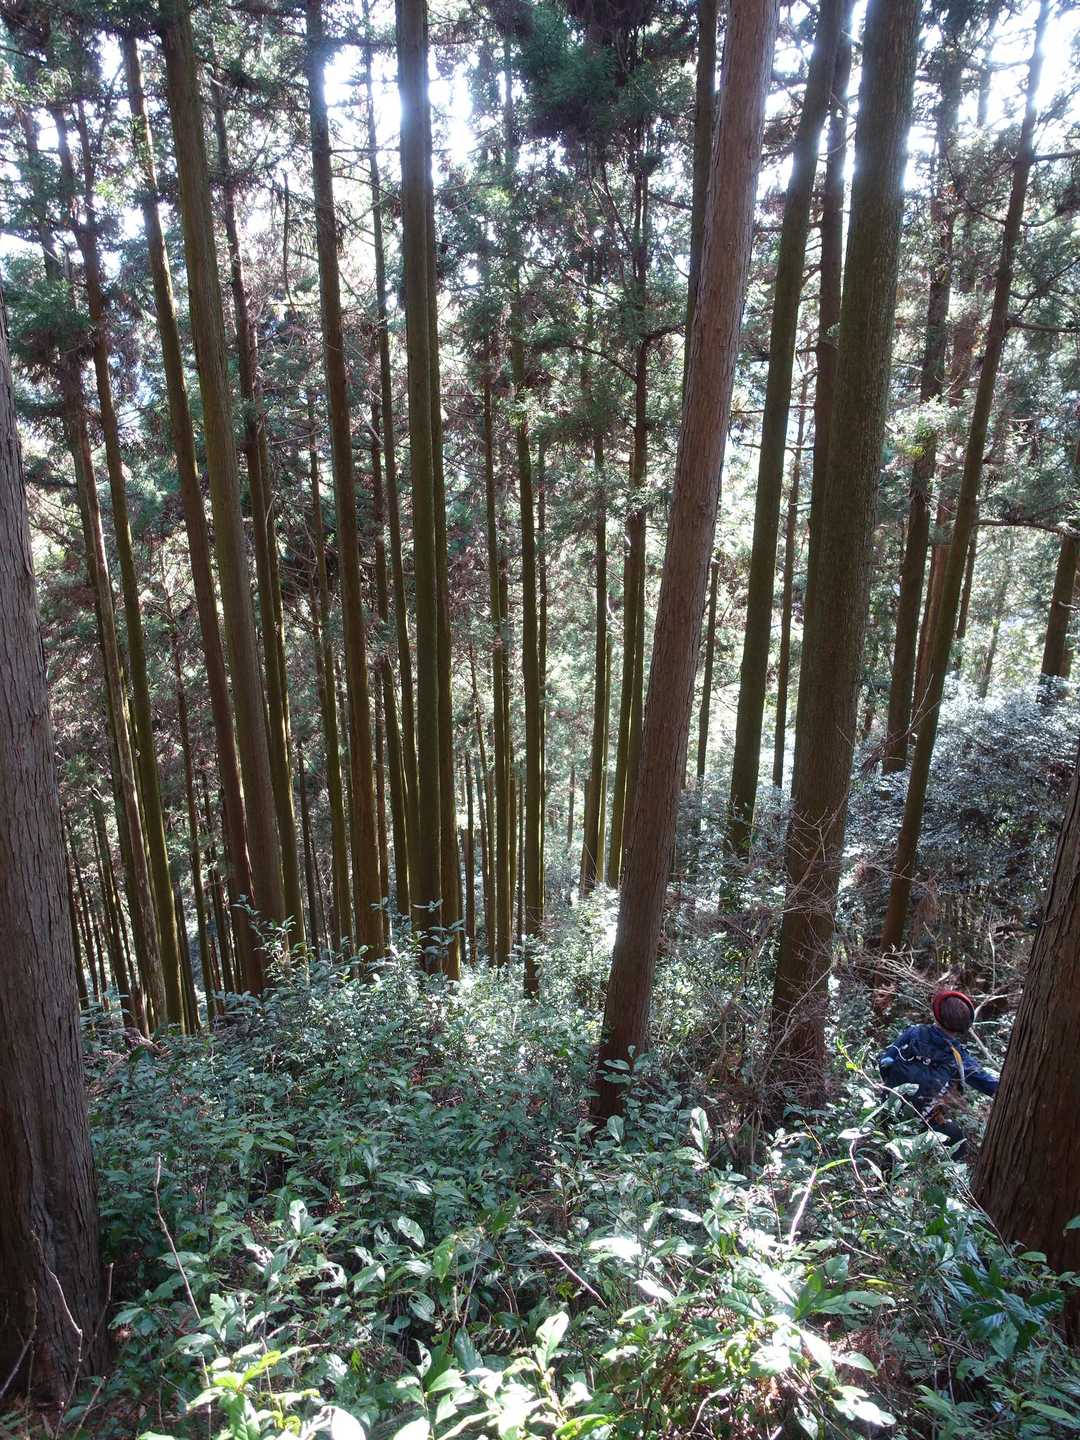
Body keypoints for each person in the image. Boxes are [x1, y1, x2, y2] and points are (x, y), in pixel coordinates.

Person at [878, 989, 998, 1158]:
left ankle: (886, 1170)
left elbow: (885, 1061)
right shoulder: (958, 1056)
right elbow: (989, 1085)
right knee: (956, 1141)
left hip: (889, 1106)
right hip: (923, 1122)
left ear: (936, 1015)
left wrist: (890, 1084)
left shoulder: (914, 1033)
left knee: (889, 1153)